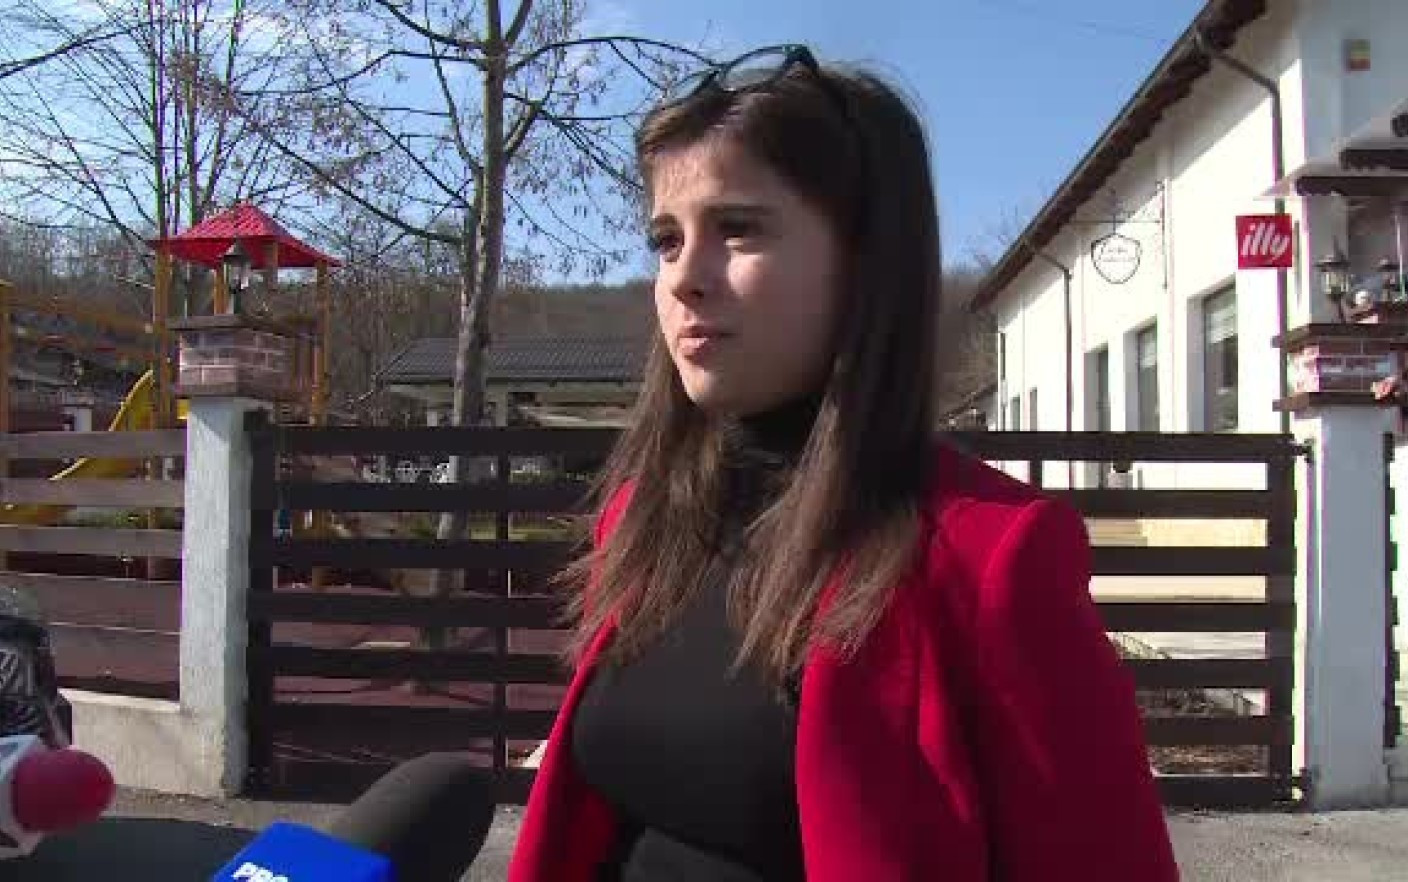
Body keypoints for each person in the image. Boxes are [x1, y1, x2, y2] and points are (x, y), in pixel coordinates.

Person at [508, 45, 1178, 882]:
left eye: (738, 228)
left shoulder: (988, 561)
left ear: (864, 260)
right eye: (666, 240)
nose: (684, 279)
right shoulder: (643, 517)